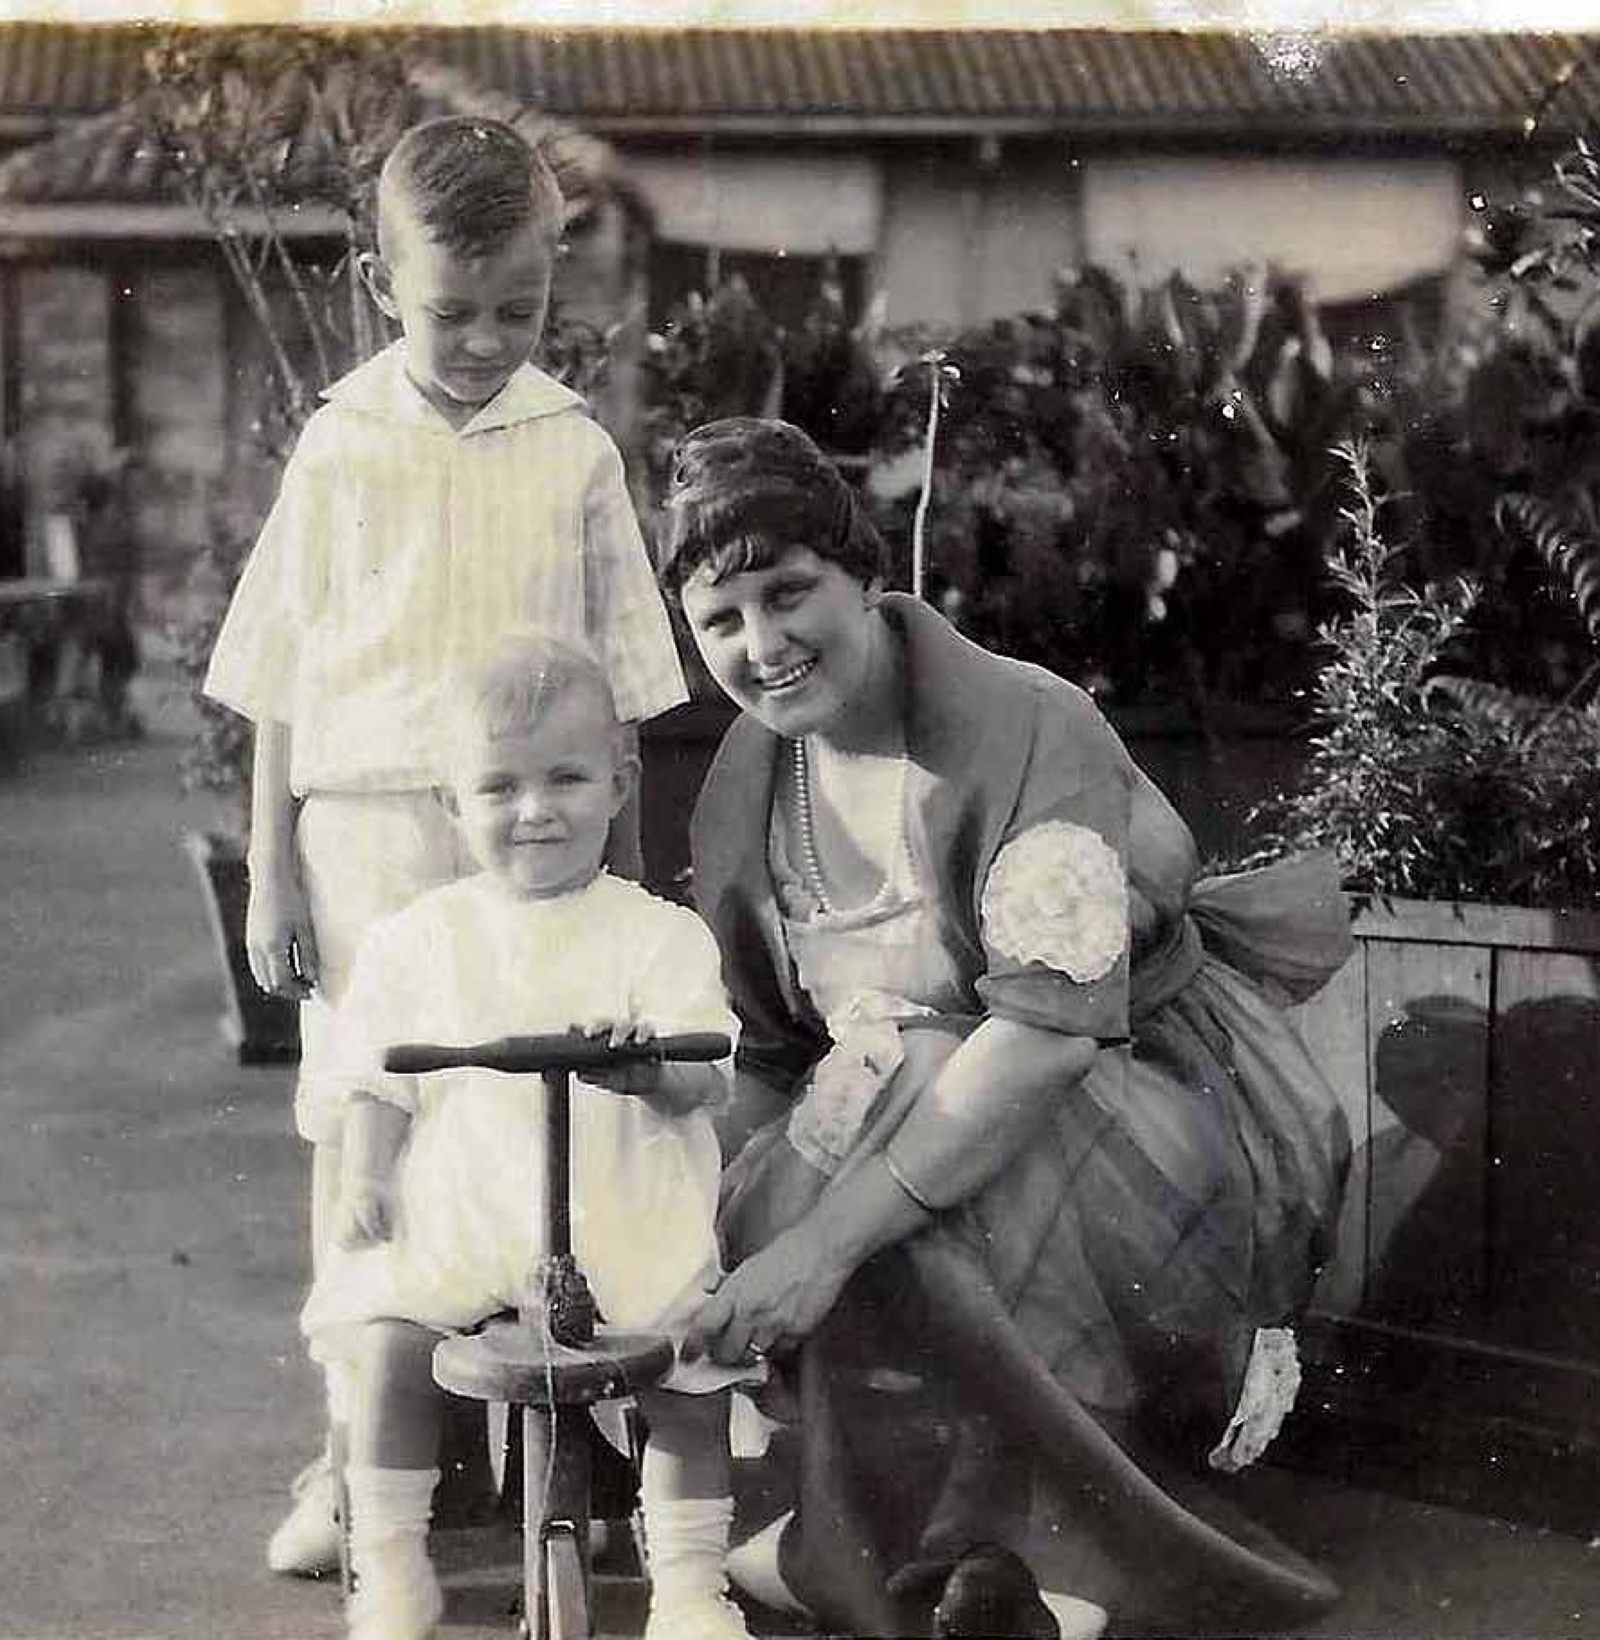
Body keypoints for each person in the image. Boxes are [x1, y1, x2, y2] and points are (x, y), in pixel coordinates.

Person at [660, 418, 1356, 1639]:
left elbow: (1044, 1039)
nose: (762, 644)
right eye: (722, 618)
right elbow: (769, 1054)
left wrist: (818, 1245)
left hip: (1135, 1096)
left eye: (789, 592)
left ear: (862, 572)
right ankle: (895, 1526)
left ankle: (1044, 1544)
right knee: (791, 1172)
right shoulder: (744, 784)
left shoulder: (1024, 719)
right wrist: (706, 1240)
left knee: (913, 1142)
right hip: (907, 1109)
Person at [202, 115, 688, 1576]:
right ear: (378, 286)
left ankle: (582, 1443)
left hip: (539, 838)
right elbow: (279, 672)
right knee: (368, 1124)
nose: (482, 343)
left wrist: (630, 882)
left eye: (515, 312)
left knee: (553, 1115)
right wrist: (273, 868)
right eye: (448, 312)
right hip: (367, 835)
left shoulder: (576, 449)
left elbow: (627, 686)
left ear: (553, 287)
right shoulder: (340, 445)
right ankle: (354, 1455)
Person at [301, 632, 754, 1640]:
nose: (534, 809)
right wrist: (368, 1173)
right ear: (450, 801)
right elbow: (374, 1077)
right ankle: (392, 1564)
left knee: (688, 1369)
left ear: (620, 782)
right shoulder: (418, 939)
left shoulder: (655, 933)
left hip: (621, 1210)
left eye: (565, 779)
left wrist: (651, 1067)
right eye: (499, 787)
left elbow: (707, 1069)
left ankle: (689, 1584)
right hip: (467, 1207)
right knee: (386, 1345)